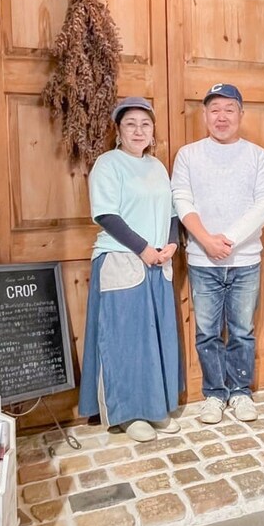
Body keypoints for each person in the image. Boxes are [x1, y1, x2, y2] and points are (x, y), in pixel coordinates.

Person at [171, 83, 264, 424]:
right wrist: (206, 240)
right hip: (202, 261)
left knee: (242, 330)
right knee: (207, 332)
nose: (222, 116)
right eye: (214, 109)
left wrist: (227, 240)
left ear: (240, 115)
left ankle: (241, 392)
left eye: (229, 109)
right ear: (205, 115)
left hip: (245, 261)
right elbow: (181, 200)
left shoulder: (258, 156)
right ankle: (215, 395)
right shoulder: (188, 155)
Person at [78, 97, 182, 442]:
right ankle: (127, 413)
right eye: (130, 124)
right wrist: (143, 249)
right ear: (118, 131)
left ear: (153, 131)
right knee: (124, 340)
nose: (139, 131)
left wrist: (171, 245)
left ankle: (155, 408)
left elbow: (171, 213)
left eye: (145, 124)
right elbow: (106, 215)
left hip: (158, 262)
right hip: (122, 261)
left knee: (154, 339)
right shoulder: (108, 164)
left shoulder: (157, 167)